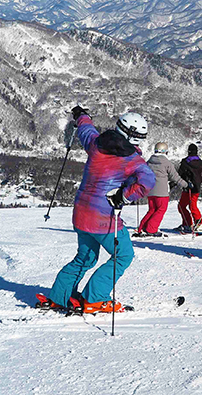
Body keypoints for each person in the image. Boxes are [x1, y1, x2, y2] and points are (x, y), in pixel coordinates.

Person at [42, 106, 156, 314]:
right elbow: (148, 181)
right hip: (104, 219)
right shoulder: (133, 160)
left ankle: (60, 296)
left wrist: (81, 116)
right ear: (138, 138)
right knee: (123, 255)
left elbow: (86, 129)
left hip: (81, 213)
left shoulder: (97, 143)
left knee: (85, 257)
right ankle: (95, 298)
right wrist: (124, 196)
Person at [136, 142, 188, 236]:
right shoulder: (166, 163)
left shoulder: (149, 162)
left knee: (152, 210)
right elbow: (175, 177)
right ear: (165, 152)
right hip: (162, 192)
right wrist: (186, 185)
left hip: (150, 190)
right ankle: (151, 229)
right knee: (161, 209)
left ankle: (142, 227)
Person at [175, 143, 202, 233]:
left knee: (182, 206)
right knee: (192, 206)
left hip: (187, 187)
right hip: (196, 188)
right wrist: (200, 180)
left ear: (189, 151)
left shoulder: (185, 162)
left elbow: (179, 174)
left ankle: (191, 223)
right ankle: (195, 223)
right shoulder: (201, 163)